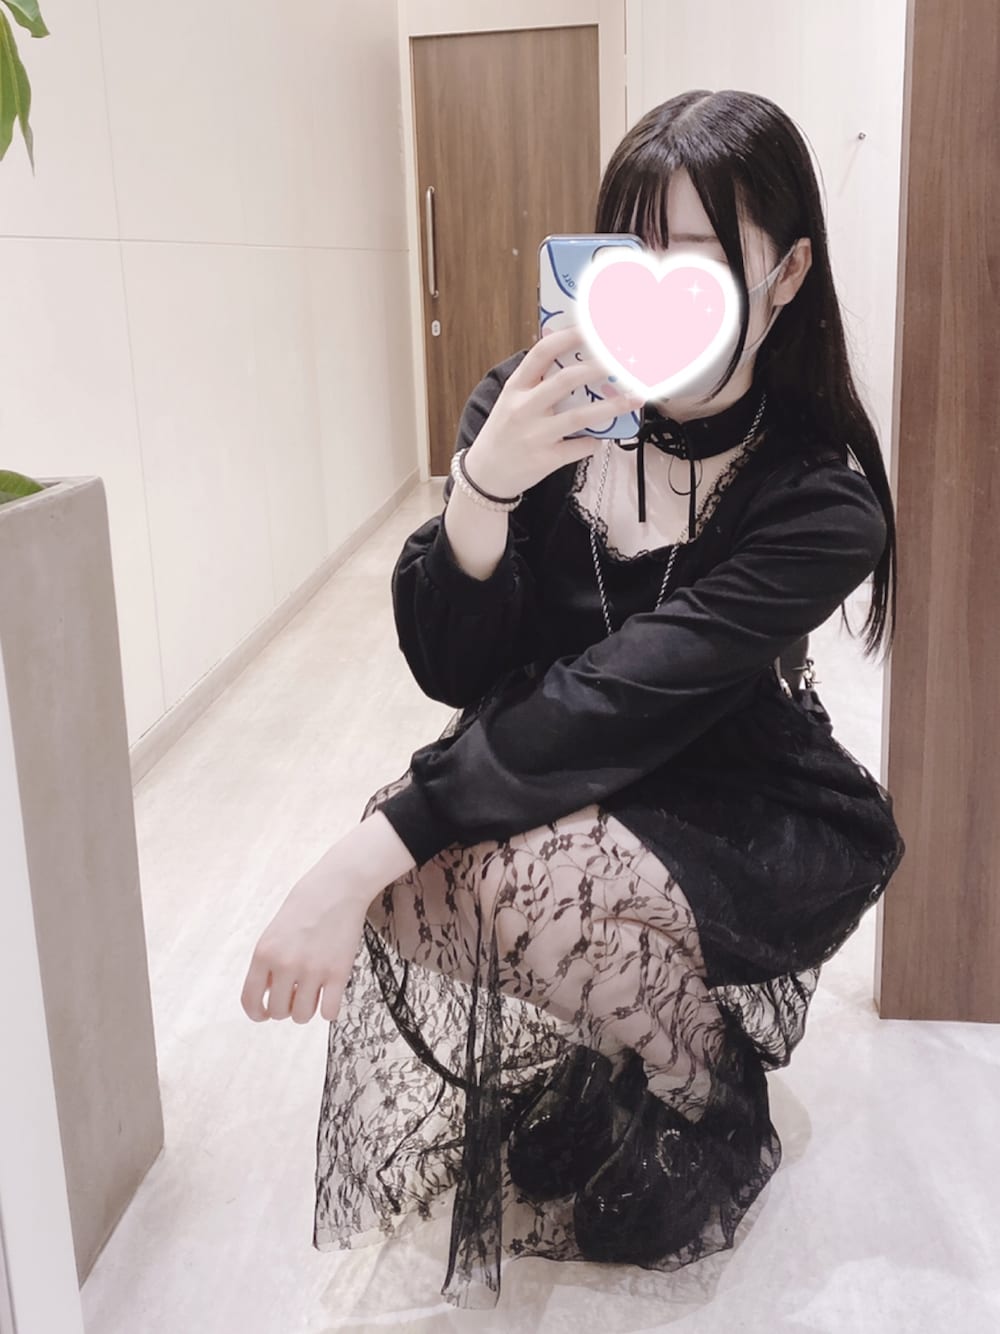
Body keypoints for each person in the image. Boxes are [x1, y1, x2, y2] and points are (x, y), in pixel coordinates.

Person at [301, 89, 907, 1308]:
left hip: (732, 784)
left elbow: (625, 694)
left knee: (503, 883)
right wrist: (483, 488)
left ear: (784, 275)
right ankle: (619, 1050)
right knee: (417, 892)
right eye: (628, 254)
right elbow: (454, 667)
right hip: (555, 746)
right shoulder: (528, 411)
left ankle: (708, 1092)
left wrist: (366, 842)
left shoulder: (817, 497)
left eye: (696, 259)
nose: (653, 291)